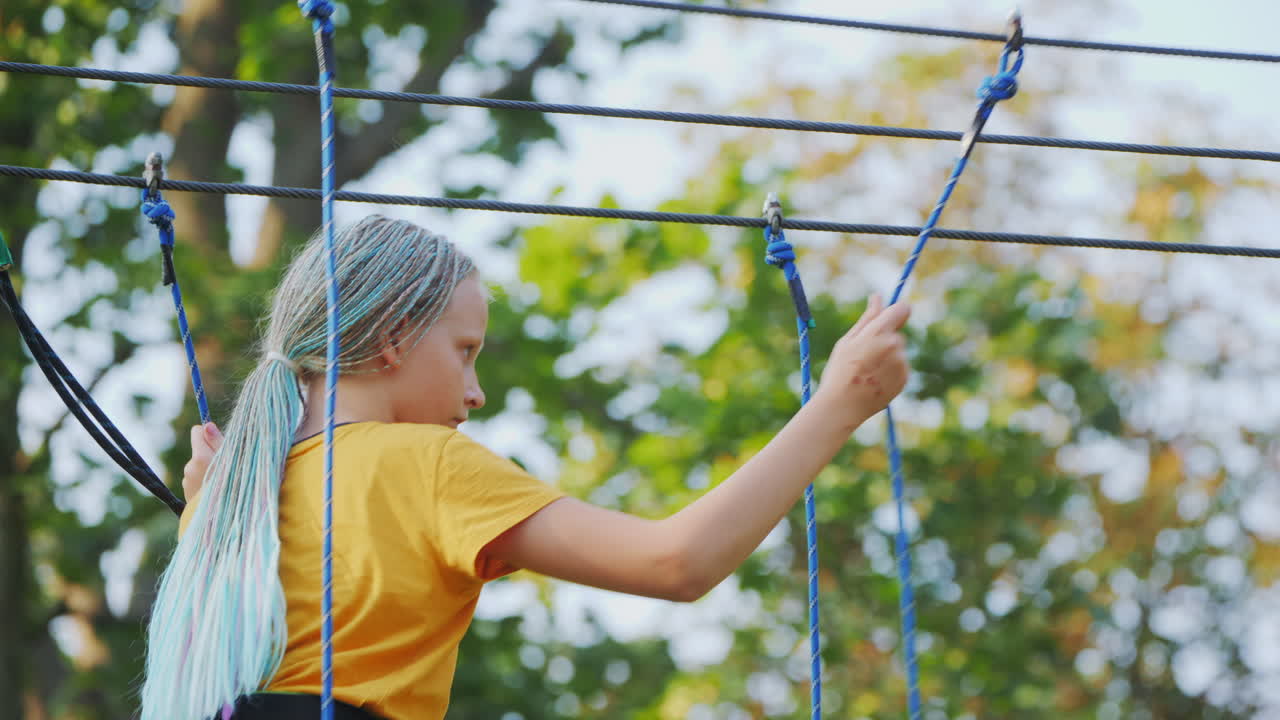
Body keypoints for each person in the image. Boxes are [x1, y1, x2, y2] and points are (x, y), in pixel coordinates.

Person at [143, 214, 911, 720]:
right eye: (465, 351)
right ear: (393, 339)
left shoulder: (230, 497)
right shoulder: (422, 463)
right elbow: (676, 563)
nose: (475, 393)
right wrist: (838, 405)